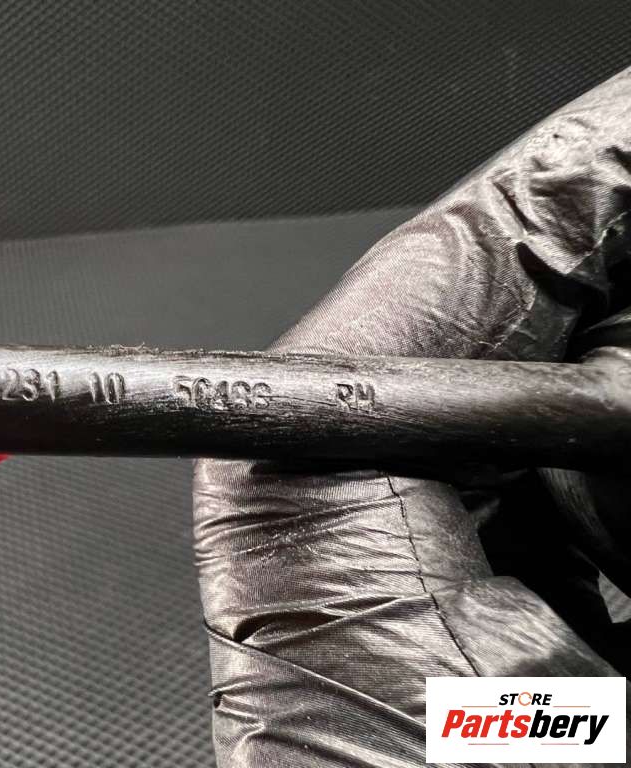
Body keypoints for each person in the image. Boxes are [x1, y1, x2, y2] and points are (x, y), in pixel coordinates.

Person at [193, 67, 631, 766]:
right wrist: (498, 725)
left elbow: (576, 729)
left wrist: (430, 727)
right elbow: (583, 728)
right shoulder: (590, 724)